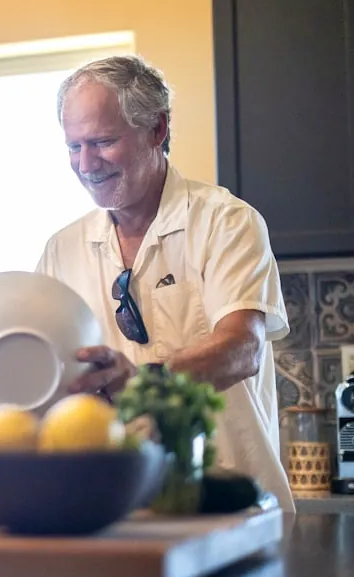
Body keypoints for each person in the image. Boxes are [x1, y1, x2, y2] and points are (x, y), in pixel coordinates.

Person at [34, 55, 295, 512]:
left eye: (102, 142)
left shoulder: (226, 221)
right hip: (119, 513)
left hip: (234, 504)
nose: (86, 163)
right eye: (74, 146)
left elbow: (242, 348)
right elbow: (46, 370)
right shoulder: (62, 249)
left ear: (157, 130)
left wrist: (143, 384)